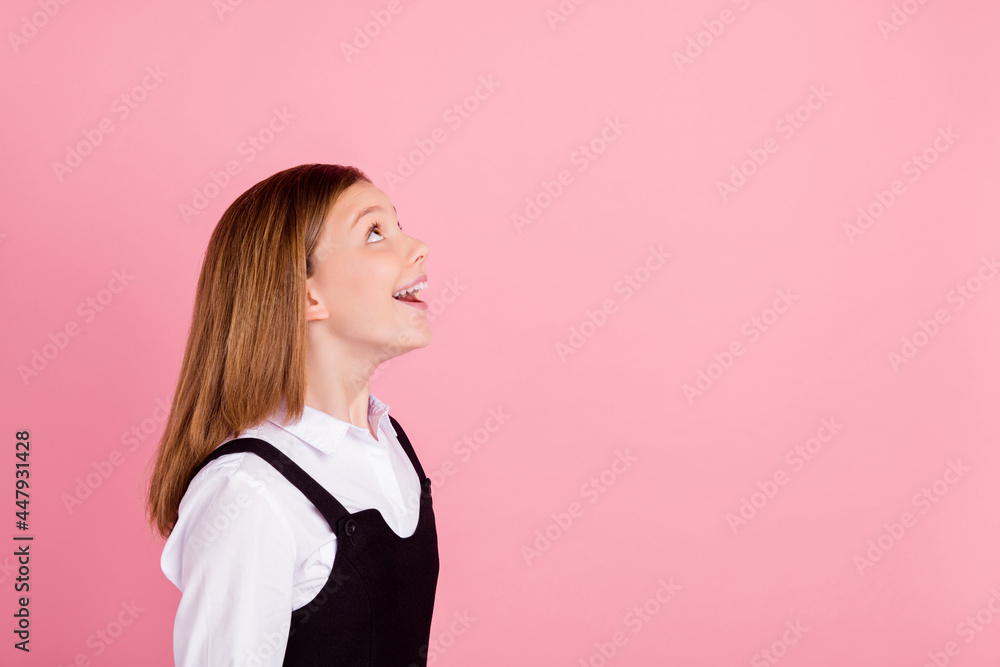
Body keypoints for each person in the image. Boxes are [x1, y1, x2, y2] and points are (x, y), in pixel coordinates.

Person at [143, 163, 439, 666]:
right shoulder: (248, 493)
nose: (417, 247)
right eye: (374, 232)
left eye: (397, 225)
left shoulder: (390, 442)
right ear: (307, 294)